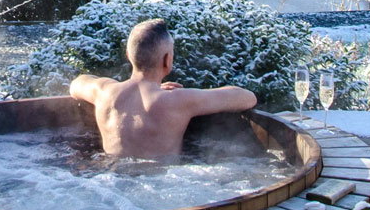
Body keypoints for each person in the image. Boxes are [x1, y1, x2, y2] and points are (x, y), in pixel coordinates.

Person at [70, 19, 257, 158]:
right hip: (160, 188)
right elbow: (247, 98)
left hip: (108, 183)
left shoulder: (104, 92)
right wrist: (161, 92)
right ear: (167, 60)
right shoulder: (177, 101)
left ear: (128, 55)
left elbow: (76, 84)